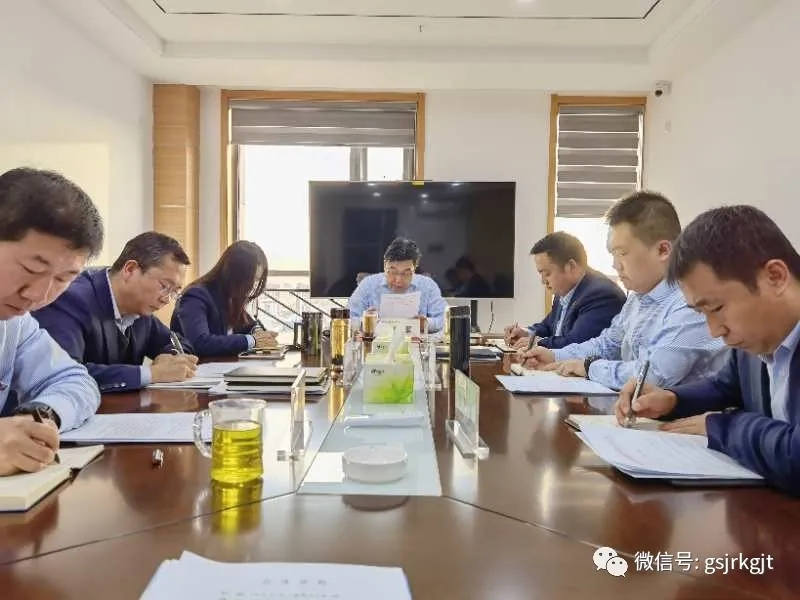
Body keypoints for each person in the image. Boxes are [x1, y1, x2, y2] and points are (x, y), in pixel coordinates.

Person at [615, 206, 800, 495]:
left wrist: (724, 426)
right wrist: (672, 400)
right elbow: (725, 386)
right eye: (702, 313)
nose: (714, 331)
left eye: (716, 308)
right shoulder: (755, 338)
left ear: (775, 276)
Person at [521, 191, 726, 390]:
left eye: (622, 253)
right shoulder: (637, 298)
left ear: (663, 250)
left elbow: (654, 375)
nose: (615, 265)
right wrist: (555, 355)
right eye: (613, 254)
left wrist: (589, 367)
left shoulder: (690, 302)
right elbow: (607, 344)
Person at [0, 167, 103, 475]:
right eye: (31, 269)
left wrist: (40, 416)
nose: (38, 295)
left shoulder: (14, 323)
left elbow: (75, 380)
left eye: (62, 278)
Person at [33, 232, 198, 393]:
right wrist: (152, 374)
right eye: (164, 286)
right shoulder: (71, 299)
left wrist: (170, 357)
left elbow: (178, 342)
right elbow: (63, 374)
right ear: (130, 270)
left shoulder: (141, 309)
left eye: (174, 291)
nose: (166, 299)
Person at [505, 232, 626, 350]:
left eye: (547, 273)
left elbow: (575, 343)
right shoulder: (564, 290)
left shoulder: (601, 295)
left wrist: (537, 343)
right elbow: (548, 326)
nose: (543, 281)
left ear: (571, 266)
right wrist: (526, 332)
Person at [171, 240, 277, 357]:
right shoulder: (195, 296)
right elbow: (200, 343)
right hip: (196, 366)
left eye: (256, 280)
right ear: (235, 275)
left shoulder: (229, 296)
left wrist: (258, 332)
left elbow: (247, 324)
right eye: (250, 280)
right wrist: (252, 341)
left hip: (220, 365)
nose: (251, 286)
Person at [348, 237, 448, 332]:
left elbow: (445, 319)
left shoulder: (428, 285)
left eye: (406, 273)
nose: (398, 280)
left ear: (414, 268)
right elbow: (347, 318)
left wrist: (425, 323)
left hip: (415, 342)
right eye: (393, 272)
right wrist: (366, 321)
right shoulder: (368, 284)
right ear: (385, 266)